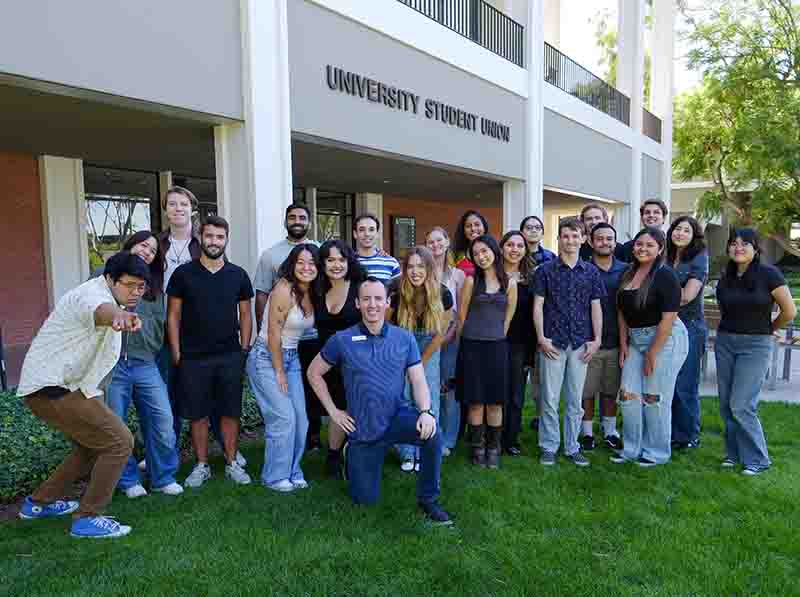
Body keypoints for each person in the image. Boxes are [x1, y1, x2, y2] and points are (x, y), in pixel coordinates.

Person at [16, 251, 149, 538]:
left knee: (91, 447)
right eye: (129, 285)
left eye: (140, 286)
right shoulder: (90, 296)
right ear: (110, 279)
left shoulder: (111, 296)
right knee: (119, 441)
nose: (135, 292)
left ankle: (37, 504)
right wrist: (120, 316)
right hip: (52, 387)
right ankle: (87, 518)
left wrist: (121, 312)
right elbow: (102, 311)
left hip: (67, 385)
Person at [307, 278, 452, 525]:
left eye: (377, 299)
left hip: (396, 418)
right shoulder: (342, 340)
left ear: (387, 303)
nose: (372, 305)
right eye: (366, 299)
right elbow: (313, 372)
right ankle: (349, 453)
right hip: (364, 430)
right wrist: (334, 412)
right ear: (357, 304)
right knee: (365, 501)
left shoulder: (403, 339)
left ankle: (428, 499)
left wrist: (426, 411)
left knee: (433, 433)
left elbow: (417, 380)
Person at [167, 215, 254, 487]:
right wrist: (177, 353)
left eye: (220, 237)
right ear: (200, 238)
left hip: (229, 354)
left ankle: (231, 463)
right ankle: (202, 465)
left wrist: (243, 349)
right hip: (193, 357)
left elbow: (246, 314)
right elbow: (173, 315)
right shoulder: (183, 274)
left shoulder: (238, 274)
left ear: (226, 239)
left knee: (230, 412)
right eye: (209, 236)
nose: (214, 242)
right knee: (198, 414)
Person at [154, 186, 237, 467]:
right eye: (172, 204)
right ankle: (169, 450)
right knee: (170, 394)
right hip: (161, 326)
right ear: (165, 210)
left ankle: (228, 450)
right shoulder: (157, 245)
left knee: (213, 394)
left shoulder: (202, 243)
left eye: (183, 204)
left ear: (192, 210)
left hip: (199, 330)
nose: (177, 208)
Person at [104, 232, 182, 498]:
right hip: (114, 365)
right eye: (143, 245)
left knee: (163, 420)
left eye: (152, 250)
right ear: (130, 245)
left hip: (146, 363)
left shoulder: (156, 288)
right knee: (118, 425)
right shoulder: (108, 278)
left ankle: (162, 477)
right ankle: (127, 481)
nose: (147, 252)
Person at [715, 228, 796, 475]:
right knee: (727, 404)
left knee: (742, 404)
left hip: (756, 345)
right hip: (725, 341)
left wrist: (768, 329)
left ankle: (759, 459)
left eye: (744, 243)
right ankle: (733, 454)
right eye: (733, 243)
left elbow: (789, 311)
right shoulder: (726, 276)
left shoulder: (769, 274)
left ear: (755, 248)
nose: (738, 247)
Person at [612, 227, 689, 467]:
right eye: (639, 244)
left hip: (665, 340)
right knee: (628, 395)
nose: (642, 249)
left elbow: (668, 318)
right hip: (636, 340)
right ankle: (632, 449)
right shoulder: (627, 274)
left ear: (660, 250)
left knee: (654, 397)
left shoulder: (665, 276)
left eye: (649, 245)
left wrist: (653, 353)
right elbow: (622, 313)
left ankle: (656, 452)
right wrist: (624, 344)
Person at [533, 217, 604, 467]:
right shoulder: (545, 271)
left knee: (575, 399)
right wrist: (541, 338)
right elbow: (538, 306)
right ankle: (549, 446)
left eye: (575, 236)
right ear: (559, 238)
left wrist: (597, 340)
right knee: (549, 399)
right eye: (566, 235)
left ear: (583, 239)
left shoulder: (591, 272)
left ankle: (572, 446)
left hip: (581, 343)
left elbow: (596, 307)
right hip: (553, 342)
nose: (570, 240)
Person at [247, 244, 318, 492]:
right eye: (301, 262)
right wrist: (279, 371)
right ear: (292, 263)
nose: (306, 267)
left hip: (292, 357)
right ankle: (275, 477)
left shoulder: (312, 291)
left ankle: (293, 470)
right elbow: (274, 333)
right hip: (266, 357)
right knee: (283, 417)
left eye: (311, 263)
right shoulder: (283, 289)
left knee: (301, 418)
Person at [253, 203, 322, 451]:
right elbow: (262, 295)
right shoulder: (271, 256)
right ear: (285, 221)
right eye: (292, 217)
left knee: (305, 401)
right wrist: (266, 330)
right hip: (278, 343)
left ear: (309, 222)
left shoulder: (319, 251)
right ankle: (282, 464)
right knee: (285, 410)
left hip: (308, 337)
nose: (297, 220)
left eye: (302, 217)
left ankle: (307, 446)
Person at [388, 246, 453, 471]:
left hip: (429, 349)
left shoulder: (443, 294)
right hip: (401, 348)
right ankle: (407, 453)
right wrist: (403, 364)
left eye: (421, 266)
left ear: (429, 268)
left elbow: (440, 336)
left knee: (429, 398)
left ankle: (428, 451)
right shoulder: (395, 292)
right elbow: (388, 328)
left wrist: (420, 364)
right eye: (411, 266)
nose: (415, 271)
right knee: (404, 397)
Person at [458, 235, 518, 468]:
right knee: (475, 402)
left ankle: (493, 447)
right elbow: (462, 315)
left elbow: (508, 317)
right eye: (476, 254)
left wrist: (495, 336)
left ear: (494, 250)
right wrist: (472, 337)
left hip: (497, 348)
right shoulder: (471, 282)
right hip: (472, 347)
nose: (481, 257)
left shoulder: (510, 283)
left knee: (495, 402)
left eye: (485, 251)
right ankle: (477, 447)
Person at [314, 240, 366, 477]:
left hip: (357, 361)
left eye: (341, 259)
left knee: (354, 408)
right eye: (330, 260)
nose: (336, 265)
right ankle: (334, 455)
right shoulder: (317, 289)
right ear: (323, 264)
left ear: (349, 261)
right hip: (327, 362)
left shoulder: (359, 287)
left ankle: (354, 453)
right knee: (337, 409)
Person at [579, 223, 627, 451]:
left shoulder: (626, 270)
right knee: (587, 391)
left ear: (615, 243)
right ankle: (586, 432)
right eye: (600, 239)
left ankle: (609, 430)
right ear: (590, 241)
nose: (605, 242)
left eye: (609, 239)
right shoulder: (583, 269)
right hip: (589, 342)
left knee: (610, 389)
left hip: (617, 341)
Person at [666, 216, 709, 451]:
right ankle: (671, 431)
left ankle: (688, 435)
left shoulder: (699, 259)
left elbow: (686, 296)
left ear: (694, 236)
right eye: (677, 229)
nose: (680, 233)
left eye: (686, 230)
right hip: (665, 326)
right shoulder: (666, 257)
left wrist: (657, 298)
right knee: (667, 382)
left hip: (689, 326)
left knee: (685, 383)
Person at [426, 227, 466, 456]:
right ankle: (432, 434)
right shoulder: (423, 271)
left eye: (439, 240)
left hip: (450, 338)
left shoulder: (457, 275)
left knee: (449, 389)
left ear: (447, 241)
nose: (435, 245)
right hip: (426, 337)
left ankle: (449, 439)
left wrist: (451, 335)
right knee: (430, 387)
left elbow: (460, 312)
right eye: (430, 242)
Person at [520, 215, 556, 433]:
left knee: (540, 377)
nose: (532, 231)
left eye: (537, 228)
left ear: (542, 233)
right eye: (528, 227)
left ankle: (541, 417)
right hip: (519, 321)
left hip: (542, 322)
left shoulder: (551, 258)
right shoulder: (514, 254)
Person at [499, 231, 532, 456]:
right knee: (495, 391)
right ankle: (492, 436)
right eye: (510, 244)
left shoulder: (531, 278)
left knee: (516, 394)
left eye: (519, 245)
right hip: (493, 340)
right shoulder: (492, 276)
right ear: (501, 248)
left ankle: (510, 439)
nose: (514, 249)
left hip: (520, 342)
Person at [353, 213, 400, 282]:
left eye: (371, 229)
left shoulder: (391, 263)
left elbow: (398, 291)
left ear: (377, 233)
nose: (367, 234)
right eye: (362, 230)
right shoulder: (348, 262)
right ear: (355, 234)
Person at [452, 210, 490, 277]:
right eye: (468, 226)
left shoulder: (493, 251)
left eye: (477, 225)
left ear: (484, 227)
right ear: (463, 231)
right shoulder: (456, 254)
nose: (473, 228)